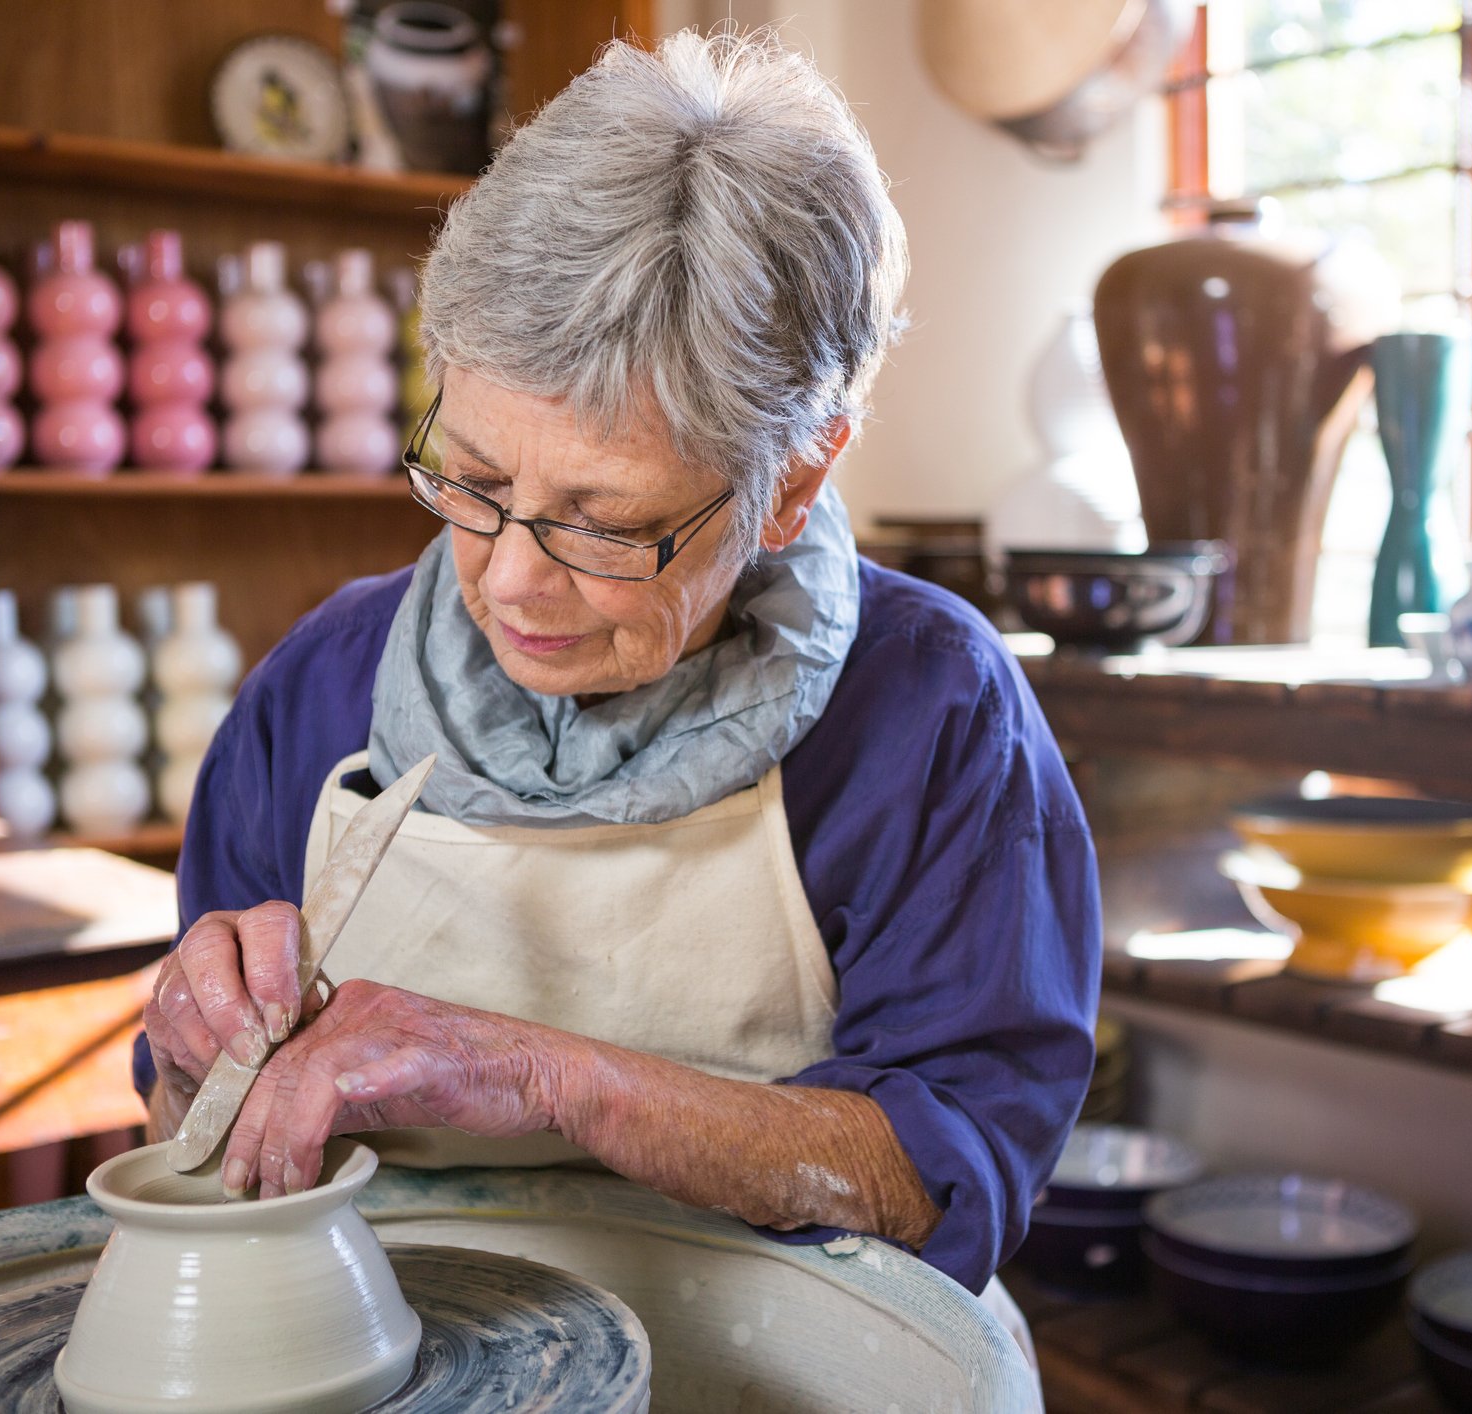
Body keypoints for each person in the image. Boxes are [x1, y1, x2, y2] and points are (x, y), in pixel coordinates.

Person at [134, 27, 1100, 1323]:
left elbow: (940, 1178)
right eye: (471, 483)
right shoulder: (319, 686)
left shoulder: (927, 711)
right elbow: (178, 1133)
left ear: (795, 478)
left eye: (601, 522)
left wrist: (548, 1077)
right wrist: (199, 1060)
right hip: (387, 1337)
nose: (512, 583)